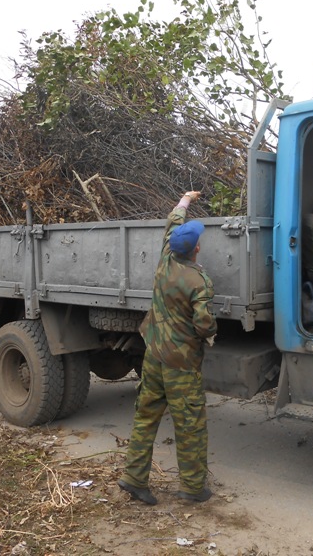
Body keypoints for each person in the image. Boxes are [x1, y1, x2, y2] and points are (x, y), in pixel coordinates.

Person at [118, 190, 218, 505]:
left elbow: (173, 220)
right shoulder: (197, 281)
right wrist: (213, 330)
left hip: (154, 354)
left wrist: (185, 200)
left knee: (146, 416)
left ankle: (134, 478)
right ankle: (192, 487)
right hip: (180, 363)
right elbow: (203, 325)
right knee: (189, 423)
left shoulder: (165, 258)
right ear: (197, 249)